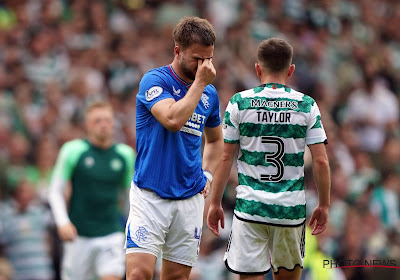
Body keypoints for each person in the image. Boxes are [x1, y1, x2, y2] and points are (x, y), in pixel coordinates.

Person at [207, 38, 331, 280]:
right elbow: (321, 162)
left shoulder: (239, 103)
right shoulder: (306, 106)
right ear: (291, 70)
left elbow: (225, 158)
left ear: (257, 69)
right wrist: (324, 205)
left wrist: (215, 203)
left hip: (250, 209)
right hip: (290, 211)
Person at [125, 16, 223, 280]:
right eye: (197, 59)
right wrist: (200, 83)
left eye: (209, 59)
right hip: (150, 195)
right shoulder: (154, 80)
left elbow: (215, 140)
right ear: (177, 50)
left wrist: (209, 175)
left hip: (189, 198)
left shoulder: (210, 95)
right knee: (138, 275)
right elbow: (172, 120)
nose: (204, 66)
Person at [48, 101, 136, 280]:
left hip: (111, 233)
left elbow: (130, 196)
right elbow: (55, 191)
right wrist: (62, 222)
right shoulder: (73, 151)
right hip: (79, 236)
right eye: (97, 121)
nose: (103, 124)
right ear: (87, 125)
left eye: (107, 120)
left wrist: (131, 226)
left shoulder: (125, 155)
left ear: (113, 123)